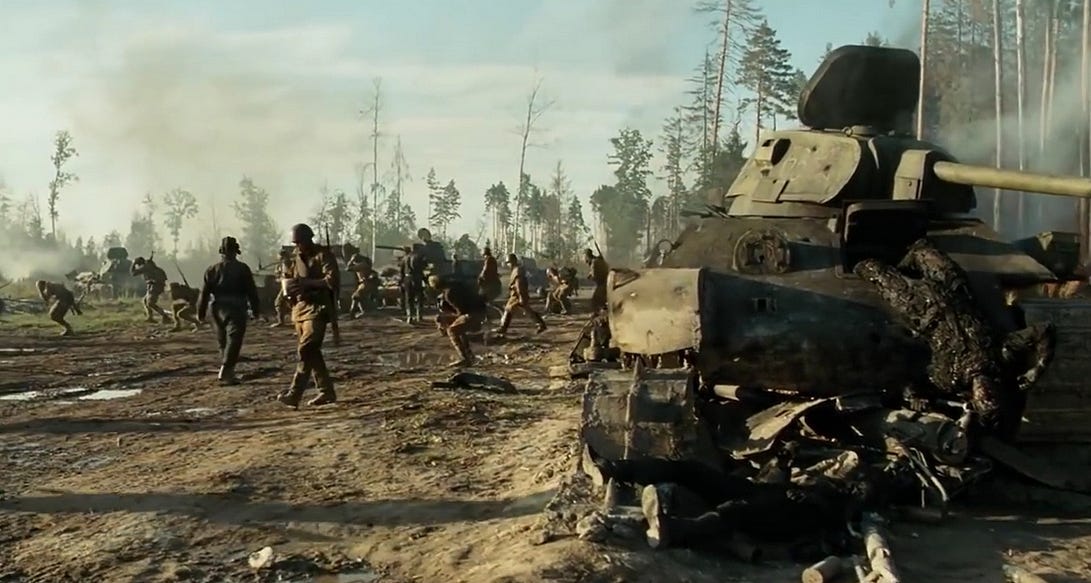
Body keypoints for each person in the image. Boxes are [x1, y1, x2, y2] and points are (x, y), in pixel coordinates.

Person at [276, 223, 339, 408]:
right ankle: (326, 391)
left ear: (308, 239)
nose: (298, 246)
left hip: (318, 308)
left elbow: (332, 280)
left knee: (306, 349)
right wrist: (288, 288)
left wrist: (308, 283)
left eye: (300, 242)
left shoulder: (323, 255)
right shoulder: (295, 259)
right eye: (295, 243)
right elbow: (289, 278)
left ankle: (294, 394)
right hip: (299, 310)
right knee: (312, 353)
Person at [197, 236, 261, 385]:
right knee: (234, 339)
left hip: (217, 308)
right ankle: (227, 370)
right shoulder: (243, 268)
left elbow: (204, 293)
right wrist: (256, 310)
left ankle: (226, 369)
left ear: (221, 252)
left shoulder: (212, 269)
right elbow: (252, 291)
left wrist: (201, 313)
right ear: (236, 251)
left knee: (222, 340)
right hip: (236, 307)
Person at [429, 274, 488, 367]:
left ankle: (464, 358)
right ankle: (468, 354)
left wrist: (446, 317)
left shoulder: (449, 293)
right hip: (480, 309)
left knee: (452, 331)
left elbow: (461, 312)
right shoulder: (456, 284)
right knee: (458, 328)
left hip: (474, 314)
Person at [495, 253, 547, 336]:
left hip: (518, 294)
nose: (508, 265)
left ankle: (503, 328)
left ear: (513, 261)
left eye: (508, 262)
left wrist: (521, 296)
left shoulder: (517, 271)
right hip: (517, 294)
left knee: (510, 309)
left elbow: (519, 284)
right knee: (525, 310)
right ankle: (541, 324)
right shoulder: (516, 270)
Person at [130, 256, 170, 323]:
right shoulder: (153, 268)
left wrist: (133, 264)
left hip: (155, 286)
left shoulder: (146, 267)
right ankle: (150, 317)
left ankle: (165, 316)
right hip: (155, 286)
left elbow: (133, 273)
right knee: (145, 301)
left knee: (150, 303)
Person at [400, 245, 426, 323]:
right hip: (417, 278)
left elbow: (401, 271)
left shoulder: (405, 258)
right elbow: (422, 268)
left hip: (407, 278)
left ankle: (410, 316)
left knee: (408, 298)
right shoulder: (419, 257)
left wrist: (401, 281)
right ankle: (419, 315)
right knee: (419, 296)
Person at [270, 247, 293, 328]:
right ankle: (281, 321)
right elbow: (279, 277)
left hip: (291, 286)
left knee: (281, 302)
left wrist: (285, 276)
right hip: (285, 286)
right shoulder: (280, 265)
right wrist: (280, 277)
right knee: (281, 303)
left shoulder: (290, 264)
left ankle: (283, 321)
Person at [585, 248, 609, 314]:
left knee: (596, 300)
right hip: (606, 282)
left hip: (602, 283)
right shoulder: (598, 260)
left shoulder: (594, 262)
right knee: (601, 300)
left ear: (587, 256)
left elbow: (594, 275)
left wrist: (591, 277)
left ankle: (599, 314)